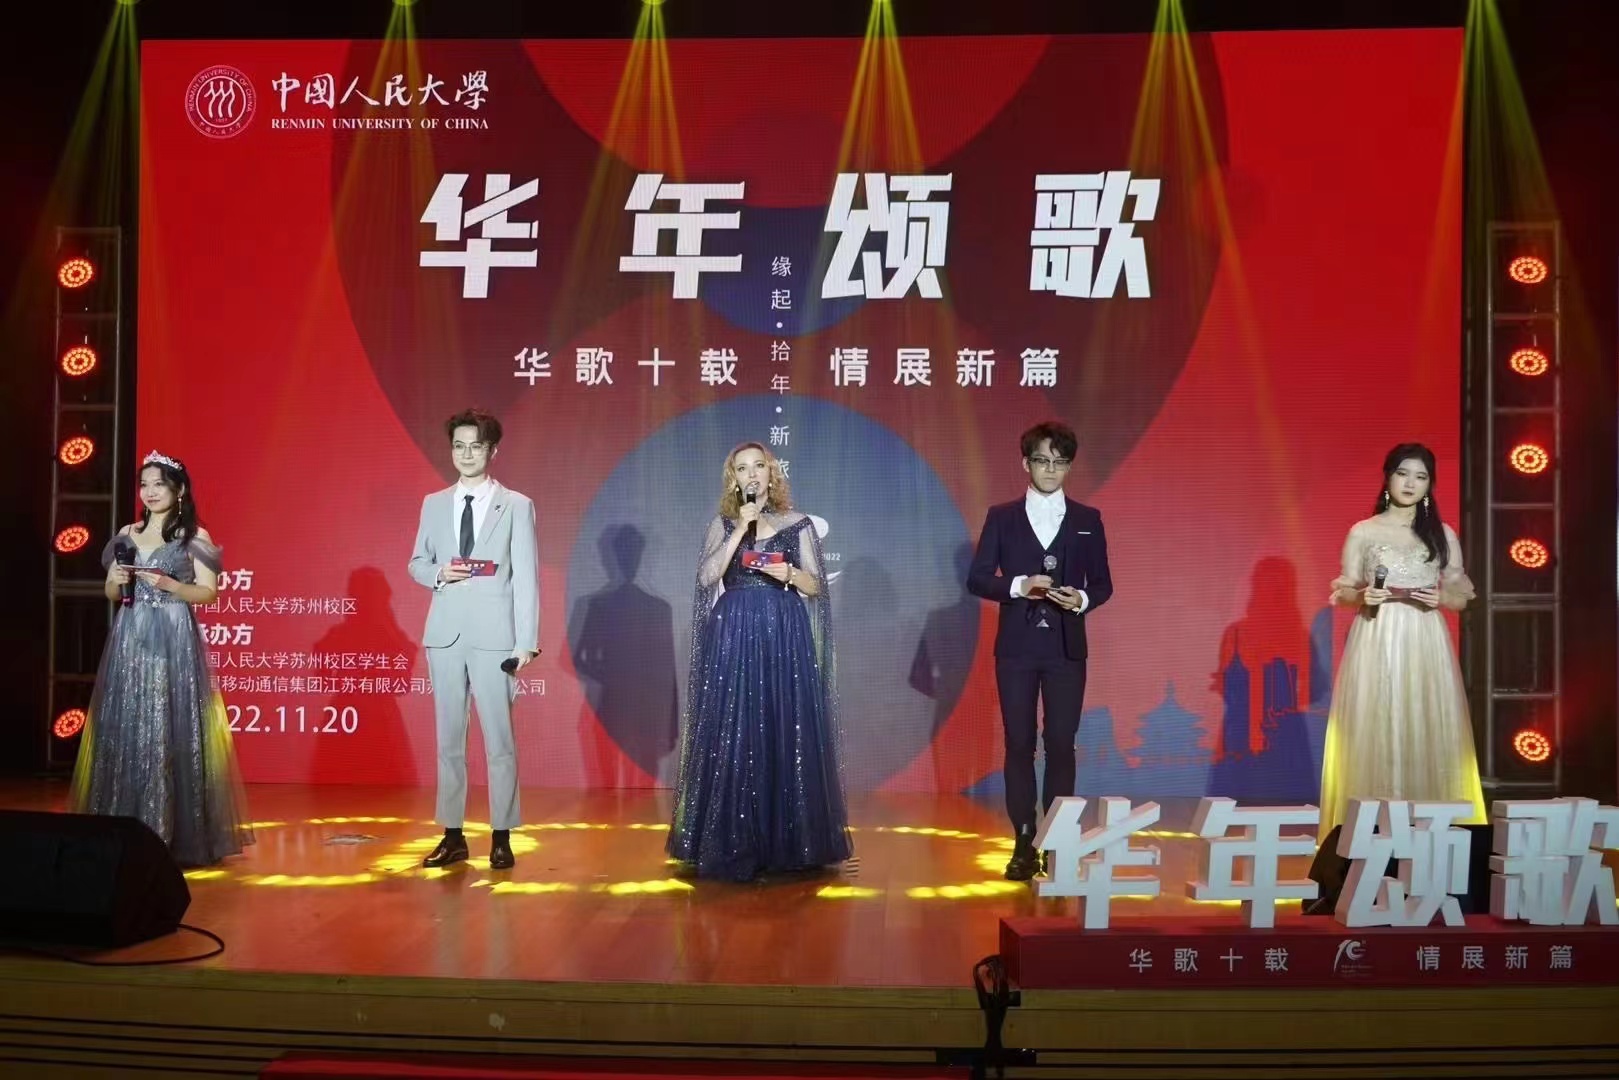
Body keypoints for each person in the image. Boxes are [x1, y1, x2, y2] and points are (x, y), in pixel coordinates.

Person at [667, 441, 851, 881]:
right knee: (735, 727)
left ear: (772, 473)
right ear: (733, 479)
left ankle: (789, 840)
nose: (751, 474)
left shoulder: (797, 524)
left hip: (784, 634)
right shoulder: (723, 524)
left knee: (783, 725)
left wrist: (789, 573)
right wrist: (739, 531)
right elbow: (707, 577)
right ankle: (732, 838)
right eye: (741, 468)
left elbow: (817, 586)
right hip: (733, 634)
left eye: (758, 466)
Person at [71, 451, 252, 866]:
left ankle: (171, 832)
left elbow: (209, 593)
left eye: (159, 484)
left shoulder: (194, 536)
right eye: (144, 485)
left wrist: (171, 585)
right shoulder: (127, 533)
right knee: (129, 724)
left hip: (173, 633)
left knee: (171, 724)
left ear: (179, 489)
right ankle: (124, 827)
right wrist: (116, 581)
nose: (150, 492)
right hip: (131, 634)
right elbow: (111, 593)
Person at [968, 421, 1113, 881]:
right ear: (1025, 463)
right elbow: (977, 578)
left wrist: (1081, 598)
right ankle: (1024, 840)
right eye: (1042, 461)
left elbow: (1103, 584)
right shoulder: (1002, 516)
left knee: (1062, 745)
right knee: (1019, 743)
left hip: (1066, 649)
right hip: (1016, 648)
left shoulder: (1088, 519)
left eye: (1060, 462)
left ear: (1069, 466)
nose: (1051, 470)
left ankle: (1058, 841)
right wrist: (1019, 585)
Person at [1318, 443, 1486, 837]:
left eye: (1420, 476)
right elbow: (1344, 591)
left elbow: (1460, 596)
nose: (1410, 483)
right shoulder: (1364, 531)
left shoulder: (1442, 533)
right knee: (1376, 720)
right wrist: (1363, 595)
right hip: (1377, 631)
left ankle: (1432, 834)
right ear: (1388, 477)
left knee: (1425, 719)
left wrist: (1441, 598)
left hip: (1425, 634)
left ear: (1429, 484)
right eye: (1402, 473)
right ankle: (1368, 835)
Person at [408, 408, 539, 869]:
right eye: (459, 446)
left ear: (492, 451)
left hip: (495, 637)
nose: (466, 454)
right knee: (448, 740)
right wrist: (437, 573)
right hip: (445, 635)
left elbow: (526, 577)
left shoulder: (516, 505)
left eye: (476, 446)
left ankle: (501, 836)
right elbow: (416, 563)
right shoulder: (433, 503)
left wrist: (526, 641)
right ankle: (453, 835)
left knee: (499, 740)